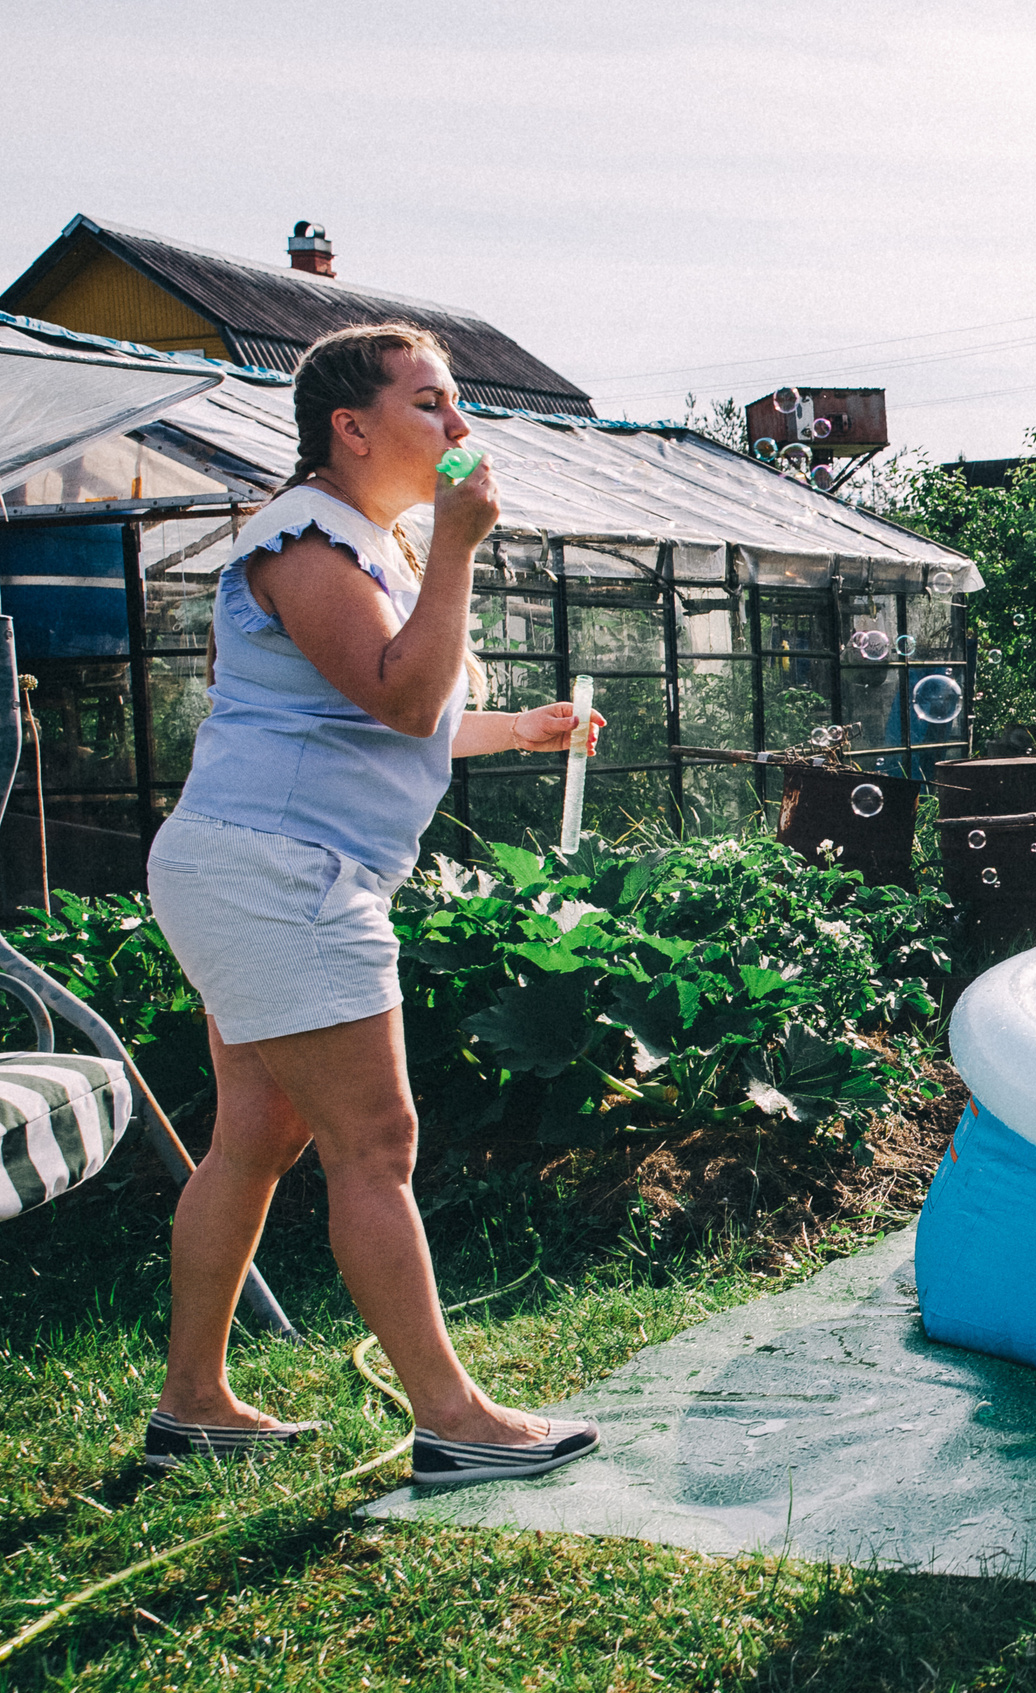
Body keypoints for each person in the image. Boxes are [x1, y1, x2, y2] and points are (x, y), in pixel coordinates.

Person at [144, 323, 604, 1485]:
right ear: (350, 428)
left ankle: (193, 1402)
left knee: (254, 1136)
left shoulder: (365, 545)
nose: (459, 429)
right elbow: (400, 704)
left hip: (258, 864)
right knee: (377, 1142)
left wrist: (523, 728)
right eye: (431, 406)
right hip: (277, 873)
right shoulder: (306, 541)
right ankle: (453, 1420)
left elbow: (405, 709)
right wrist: (455, 543)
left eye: (459, 407)